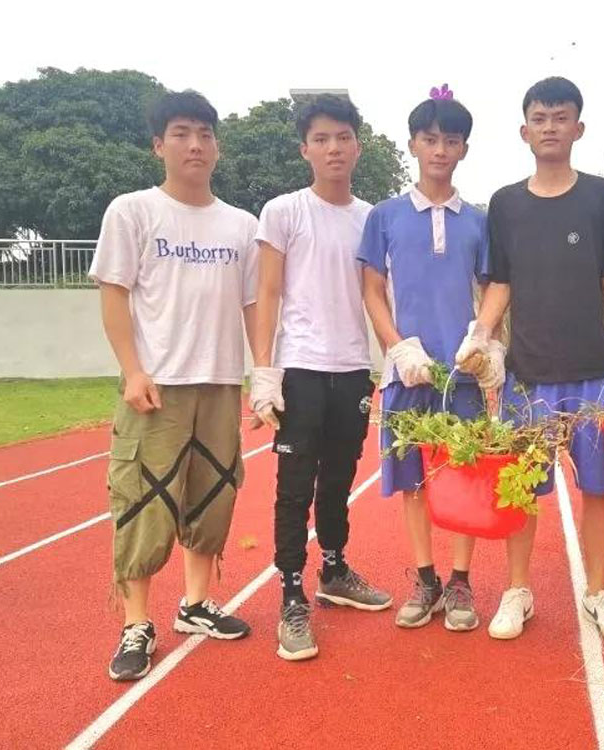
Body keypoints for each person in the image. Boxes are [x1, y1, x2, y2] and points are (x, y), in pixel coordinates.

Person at [456, 76, 604, 642]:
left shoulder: (600, 196)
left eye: (560, 117)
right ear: (524, 131)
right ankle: (517, 590)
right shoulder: (505, 204)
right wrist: (481, 335)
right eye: (540, 118)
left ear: (579, 127)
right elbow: (500, 283)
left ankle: (599, 592)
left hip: (593, 373)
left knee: (597, 488)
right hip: (527, 376)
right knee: (520, 486)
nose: (550, 127)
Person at [91, 90, 255, 681]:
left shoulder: (241, 225)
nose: (195, 145)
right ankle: (136, 622)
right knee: (144, 499)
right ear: (158, 145)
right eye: (181, 134)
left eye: (205, 134)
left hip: (220, 382)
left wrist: (262, 375)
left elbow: (253, 306)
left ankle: (196, 604)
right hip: (157, 384)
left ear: (217, 146)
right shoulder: (132, 211)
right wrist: (132, 369)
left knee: (212, 495)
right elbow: (114, 294)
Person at [249, 94, 392, 662]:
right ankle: (291, 595)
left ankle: (334, 570)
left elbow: (378, 294)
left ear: (358, 145)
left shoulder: (372, 218)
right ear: (304, 149)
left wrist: (394, 353)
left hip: (351, 368)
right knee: (293, 487)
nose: (334, 148)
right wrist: (264, 372)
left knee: (338, 481)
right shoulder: (284, 211)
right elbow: (268, 294)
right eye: (321, 139)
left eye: (343, 137)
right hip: (301, 369)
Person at [360, 88, 496, 632]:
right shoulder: (385, 216)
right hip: (407, 374)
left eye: (451, 140)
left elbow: (492, 289)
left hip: (460, 375)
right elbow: (372, 290)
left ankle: (461, 579)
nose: (440, 150)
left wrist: (484, 342)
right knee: (413, 480)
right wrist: (398, 346)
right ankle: (425, 577)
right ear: (413, 144)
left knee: (466, 473)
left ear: (464, 149)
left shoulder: (478, 220)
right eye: (430, 139)